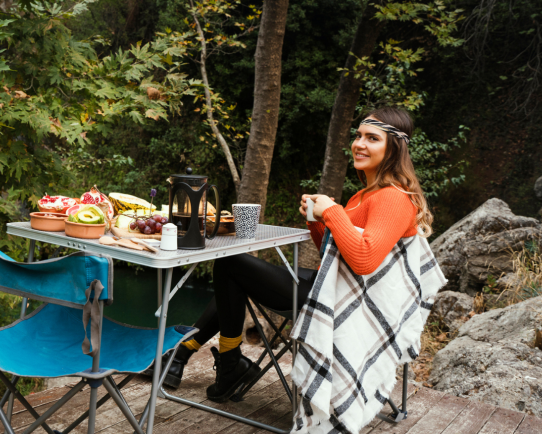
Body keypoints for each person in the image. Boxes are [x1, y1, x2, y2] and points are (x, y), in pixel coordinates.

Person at [151, 106, 433, 403]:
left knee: (230, 265)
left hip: (350, 304)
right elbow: (337, 254)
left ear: (394, 148)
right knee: (233, 271)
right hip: (337, 286)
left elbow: (364, 260)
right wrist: (317, 221)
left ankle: (213, 360)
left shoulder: (391, 197)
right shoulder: (366, 194)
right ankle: (208, 359)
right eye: (359, 135)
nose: (360, 144)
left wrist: (334, 212)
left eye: (372, 138)